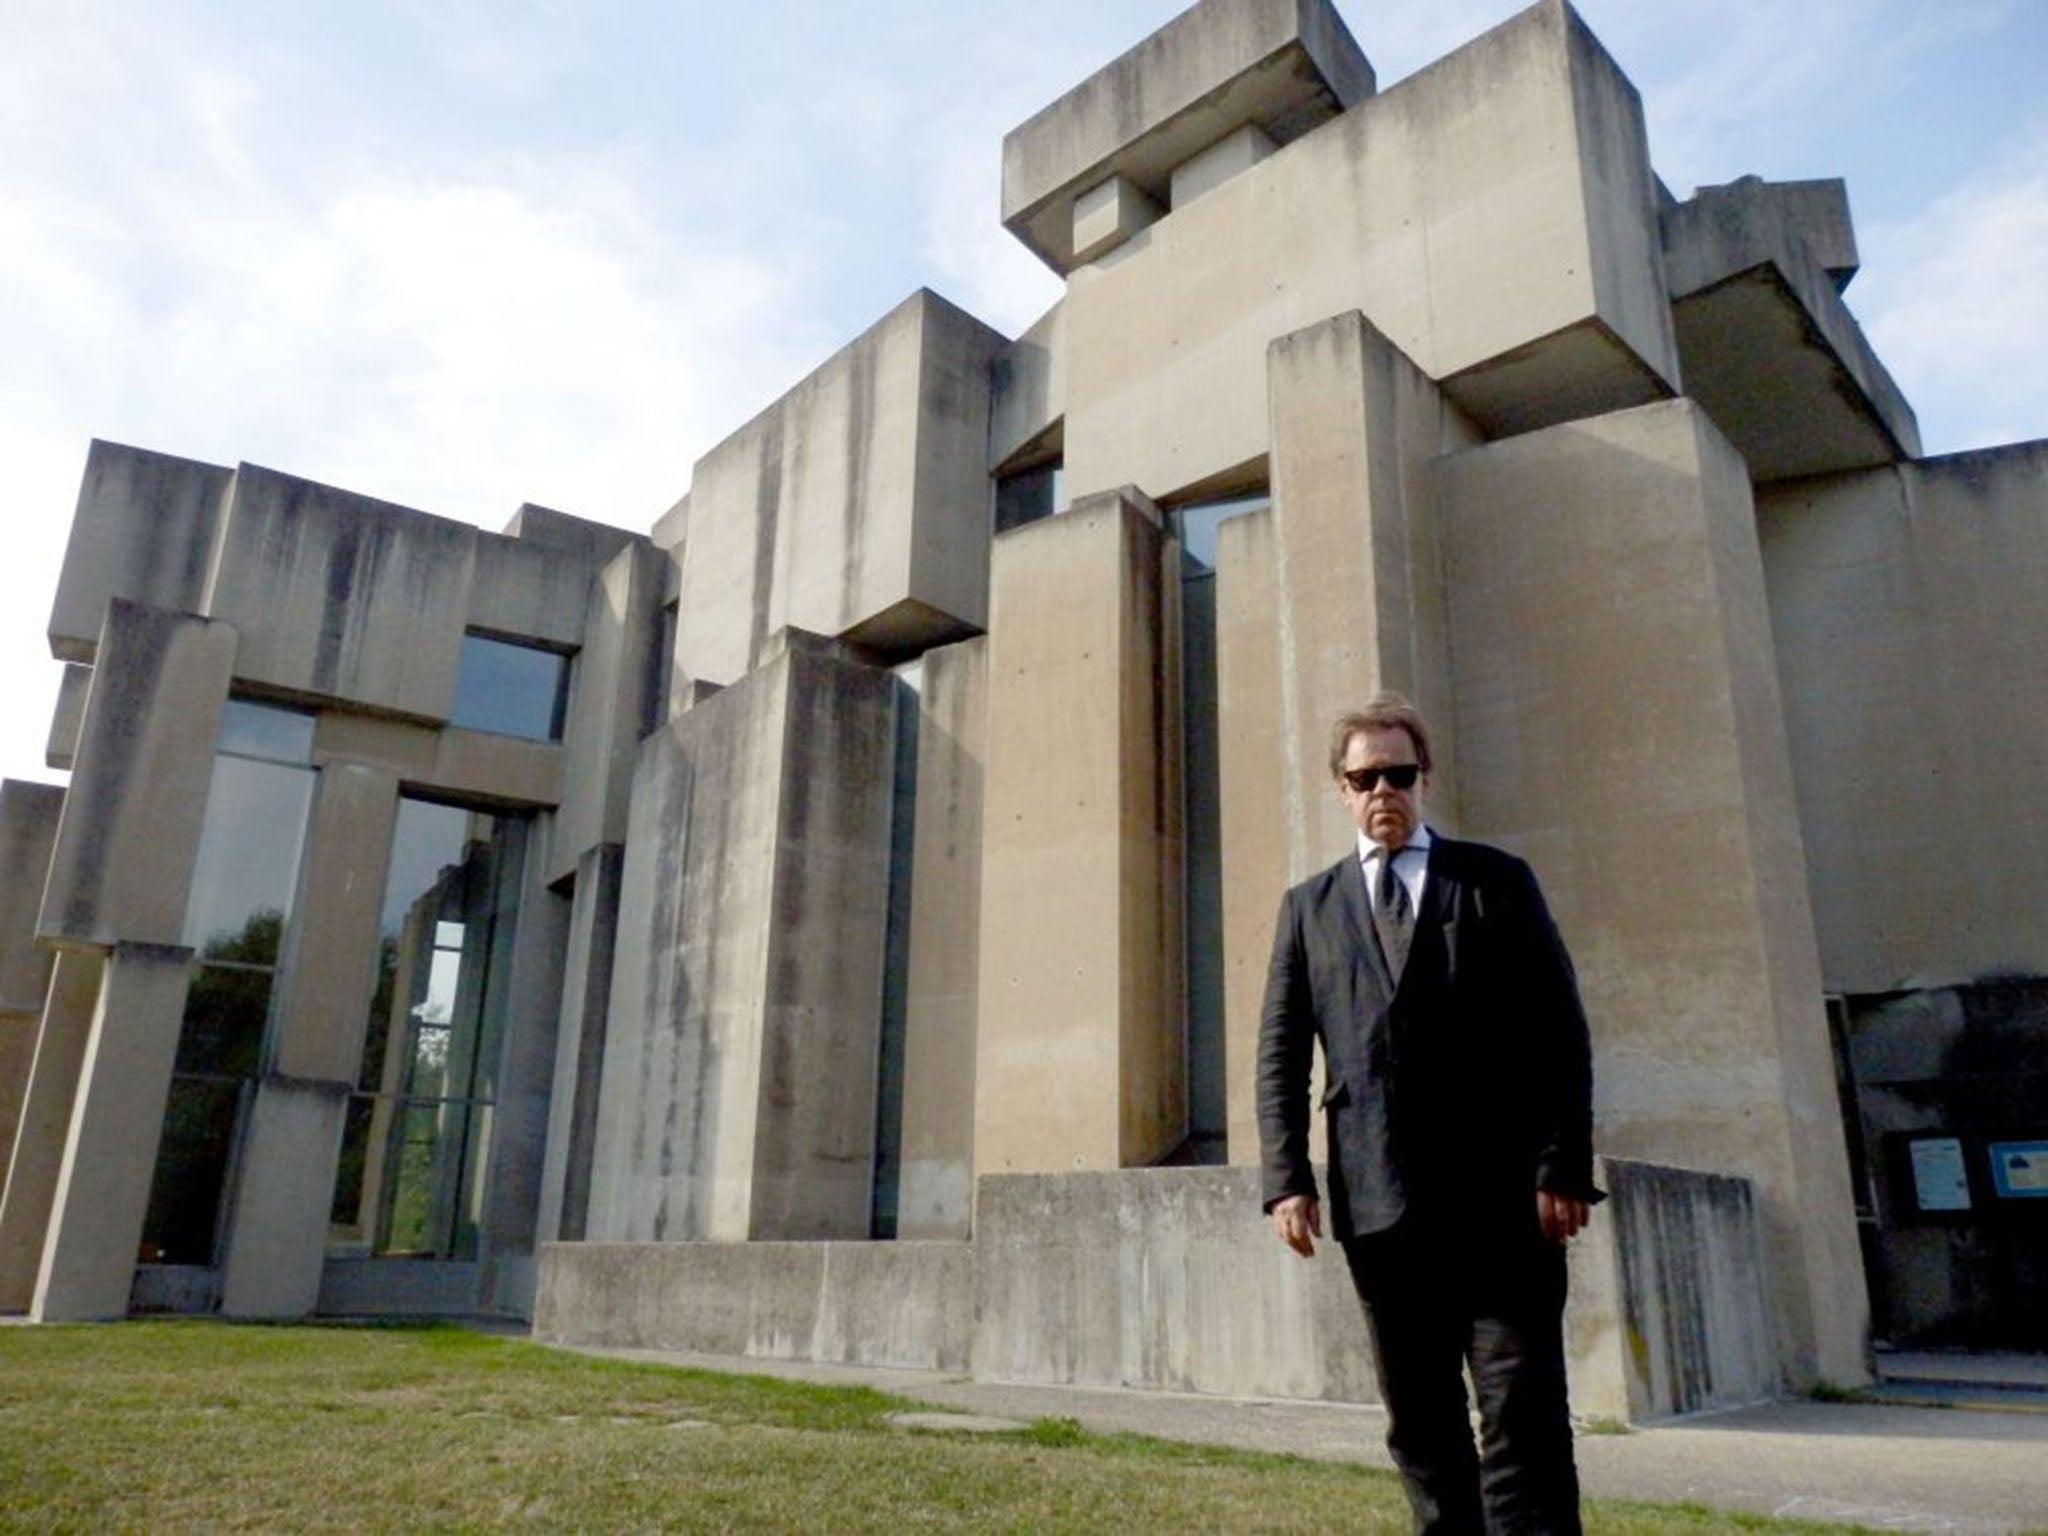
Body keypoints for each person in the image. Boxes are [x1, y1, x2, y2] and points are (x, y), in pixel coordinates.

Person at [1257, 694, 1599, 1535]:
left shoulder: (1495, 882)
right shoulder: (1309, 907)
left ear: (1424, 778)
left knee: (1521, 1410)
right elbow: (1280, 1051)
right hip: (1380, 1205)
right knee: (1419, 1418)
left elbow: (1557, 1029)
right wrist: (1286, 1180)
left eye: (1399, 774)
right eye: (1365, 777)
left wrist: (1562, 1164)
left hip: (1503, 1204)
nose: (1384, 792)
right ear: (1341, 789)